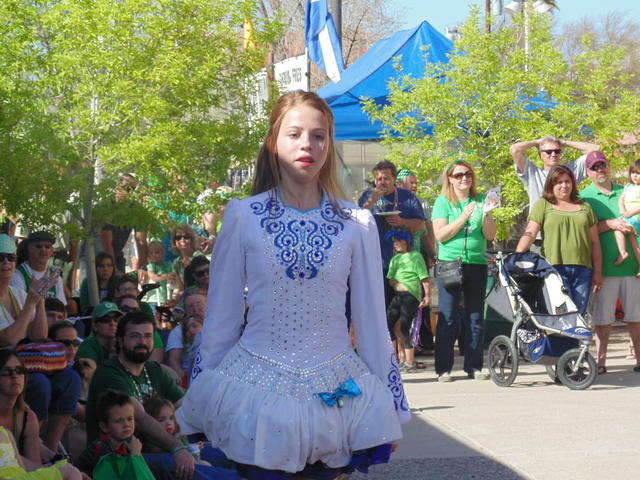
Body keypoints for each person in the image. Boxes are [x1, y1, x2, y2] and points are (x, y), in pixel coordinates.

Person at [176, 90, 409, 478]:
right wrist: (201, 401)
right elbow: (221, 319)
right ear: (273, 142)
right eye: (295, 133)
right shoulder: (242, 215)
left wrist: (392, 405)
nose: (307, 144)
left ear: (329, 144)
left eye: (318, 136)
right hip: (255, 392)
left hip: (336, 391)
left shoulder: (358, 223)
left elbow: (371, 322)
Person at [84, 310, 194, 478]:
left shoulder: (153, 370)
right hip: (120, 460)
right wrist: (177, 448)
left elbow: (185, 406)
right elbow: (141, 419)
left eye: (148, 336)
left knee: (223, 455)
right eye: (135, 336)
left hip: (159, 451)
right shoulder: (109, 373)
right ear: (120, 340)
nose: (142, 342)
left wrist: (188, 447)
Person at [432, 160, 498, 382]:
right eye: (458, 175)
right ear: (450, 179)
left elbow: (489, 236)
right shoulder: (443, 202)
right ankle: (444, 368)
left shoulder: (480, 201)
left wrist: (487, 214)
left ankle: (474, 366)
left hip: (476, 264)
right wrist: (463, 216)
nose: (464, 178)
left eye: (468, 174)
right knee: (448, 317)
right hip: (450, 264)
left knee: (476, 317)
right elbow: (440, 235)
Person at [580, 151, 640, 374]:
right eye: (594, 167)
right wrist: (611, 224)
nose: (600, 170)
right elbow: (585, 232)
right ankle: (601, 363)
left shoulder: (627, 190)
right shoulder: (585, 197)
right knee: (603, 320)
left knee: (636, 317)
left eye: (602, 165)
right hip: (603, 268)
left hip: (634, 267)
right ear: (588, 171)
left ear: (609, 166)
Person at [516, 165, 602, 316]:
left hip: (583, 271)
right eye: (559, 182)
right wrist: (516, 256)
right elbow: (530, 233)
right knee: (559, 318)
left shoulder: (585, 206)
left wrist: (598, 273)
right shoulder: (543, 204)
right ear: (551, 184)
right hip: (554, 270)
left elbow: (595, 242)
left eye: (567, 181)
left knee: (577, 319)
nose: (564, 186)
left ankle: (573, 342)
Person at [358, 160, 426, 307]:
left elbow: (421, 225)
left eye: (386, 178)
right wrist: (371, 201)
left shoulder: (407, 197)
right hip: (377, 260)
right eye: (379, 179)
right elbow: (356, 223)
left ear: (394, 179)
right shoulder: (367, 197)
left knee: (403, 311)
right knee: (379, 306)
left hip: (404, 263)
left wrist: (402, 222)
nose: (382, 182)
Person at [509, 135, 600, 213]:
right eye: (548, 151)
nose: (553, 154)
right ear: (540, 155)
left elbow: (596, 150)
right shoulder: (532, 173)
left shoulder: (571, 171)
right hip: (540, 231)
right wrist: (537, 142)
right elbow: (515, 150)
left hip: (566, 228)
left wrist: (564, 142)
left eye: (557, 151)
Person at [77, 389, 154, 479]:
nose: (126, 424)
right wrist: (135, 456)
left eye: (129, 419)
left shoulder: (129, 444)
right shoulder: (101, 451)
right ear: (104, 426)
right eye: (118, 421)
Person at [385, 228, 430, 373]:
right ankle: (395, 358)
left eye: (399, 241)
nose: (396, 244)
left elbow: (424, 277)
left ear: (407, 241)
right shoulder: (394, 259)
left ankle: (410, 362)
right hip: (398, 296)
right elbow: (390, 280)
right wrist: (396, 283)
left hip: (410, 296)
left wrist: (427, 295)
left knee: (405, 326)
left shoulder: (416, 256)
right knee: (389, 323)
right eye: (394, 242)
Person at [0, 234, 49, 347]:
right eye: (0, 258)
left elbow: (39, 337)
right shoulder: (26, 299)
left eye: (11, 257)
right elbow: (9, 339)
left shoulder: (19, 294)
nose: (6, 262)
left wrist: (40, 298)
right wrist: (30, 303)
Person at [0, 350, 41, 464]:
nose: (15, 376)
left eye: (19, 370)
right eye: (7, 371)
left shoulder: (28, 418)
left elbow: (35, 464)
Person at [0, 425, 81, 479]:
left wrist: (45, 468)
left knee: (66, 465)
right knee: (71, 472)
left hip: (20, 476)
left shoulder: (6, 432)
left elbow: (21, 467)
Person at [11, 231, 67, 306]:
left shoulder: (55, 277)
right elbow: (20, 309)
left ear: (51, 251)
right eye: (38, 246)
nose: (43, 250)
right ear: (30, 248)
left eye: (47, 247)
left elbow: (60, 308)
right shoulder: (18, 275)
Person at [166, 290, 207, 380]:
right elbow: (174, 361)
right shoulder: (178, 331)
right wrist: (187, 382)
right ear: (186, 310)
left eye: (199, 304)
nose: (195, 309)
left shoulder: (218, 328)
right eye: (190, 306)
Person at [613, 158, 640, 273]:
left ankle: (623, 253)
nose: (635, 176)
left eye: (639, 173)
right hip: (627, 216)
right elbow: (621, 199)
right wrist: (622, 209)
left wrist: (630, 213)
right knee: (634, 245)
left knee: (619, 228)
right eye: (633, 172)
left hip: (636, 217)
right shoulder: (628, 186)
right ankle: (624, 252)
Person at [170, 224, 205, 295]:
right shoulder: (176, 263)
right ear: (174, 241)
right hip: (188, 298)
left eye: (186, 237)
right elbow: (181, 289)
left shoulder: (198, 256)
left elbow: (206, 284)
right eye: (178, 237)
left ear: (191, 239)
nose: (182, 240)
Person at [144, 241, 176, 308]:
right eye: (151, 253)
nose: (154, 255)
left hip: (166, 298)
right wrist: (167, 275)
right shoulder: (150, 266)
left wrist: (171, 278)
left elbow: (173, 277)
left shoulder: (168, 265)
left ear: (163, 254)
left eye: (157, 252)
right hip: (154, 298)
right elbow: (154, 278)